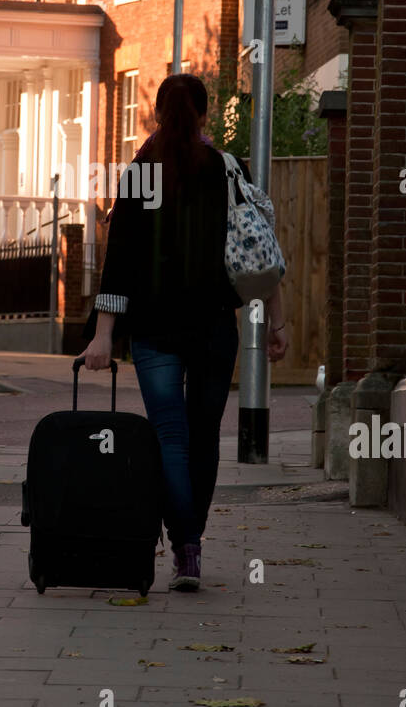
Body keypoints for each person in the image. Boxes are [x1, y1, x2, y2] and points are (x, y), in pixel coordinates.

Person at [79, 73, 288, 591]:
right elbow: (258, 250)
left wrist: (104, 335)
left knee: (170, 436)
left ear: (156, 115)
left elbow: (119, 264)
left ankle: (183, 544)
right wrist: (277, 321)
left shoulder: (139, 175)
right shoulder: (227, 169)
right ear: (204, 115)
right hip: (215, 326)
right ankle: (191, 542)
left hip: (153, 329)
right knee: (203, 437)